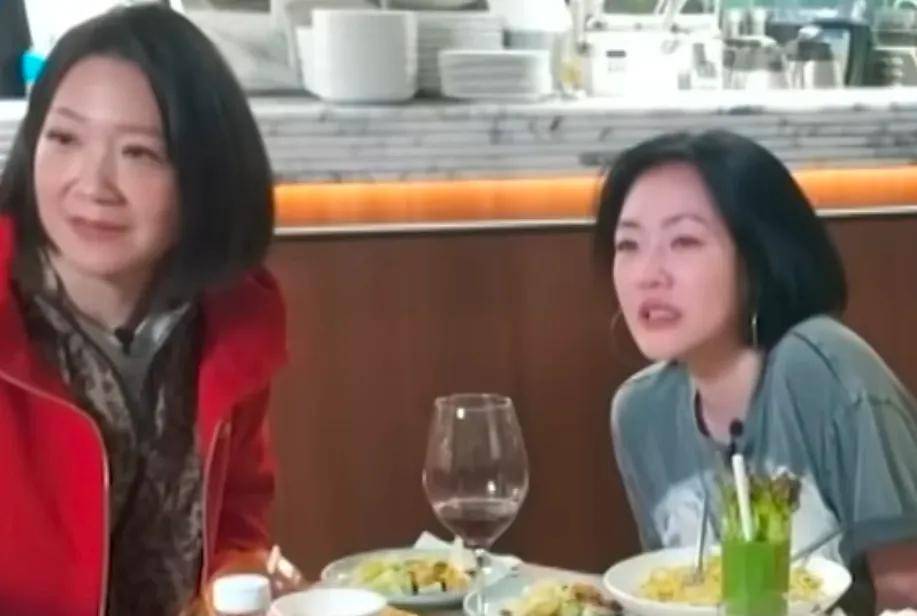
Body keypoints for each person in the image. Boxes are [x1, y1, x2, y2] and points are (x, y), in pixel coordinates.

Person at [0, 5, 291, 615]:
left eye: (140, 153)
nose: (93, 185)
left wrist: (245, 575)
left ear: (207, 176)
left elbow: (238, 519)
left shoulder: (230, 321)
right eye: (64, 139)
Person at [595, 130, 917, 613]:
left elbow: (907, 594)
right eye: (628, 245)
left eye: (684, 241)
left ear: (758, 257)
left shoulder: (823, 369)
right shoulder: (640, 411)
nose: (647, 274)